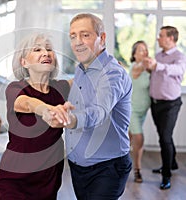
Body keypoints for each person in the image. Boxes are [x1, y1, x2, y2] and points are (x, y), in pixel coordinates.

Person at [0, 33, 73, 200]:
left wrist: (105, 67)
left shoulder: (61, 88)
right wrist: (45, 110)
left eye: (49, 49)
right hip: (15, 179)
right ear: (24, 62)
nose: (46, 53)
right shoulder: (16, 88)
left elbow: (86, 77)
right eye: (37, 49)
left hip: (48, 179)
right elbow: (27, 103)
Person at [63, 13, 132, 199]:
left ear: (101, 38)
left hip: (107, 168)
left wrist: (72, 119)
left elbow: (99, 111)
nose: (77, 42)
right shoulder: (81, 69)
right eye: (73, 36)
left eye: (85, 35)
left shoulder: (113, 74)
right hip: (78, 167)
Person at [143, 26, 186, 190]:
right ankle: (172, 162)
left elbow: (178, 70)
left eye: (161, 36)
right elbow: (156, 73)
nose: (158, 38)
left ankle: (166, 175)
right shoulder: (159, 55)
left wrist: (157, 66)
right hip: (155, 103)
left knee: (165, 138)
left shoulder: (179, 56)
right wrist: (150, 67)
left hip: (170, 105)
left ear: (171, 38)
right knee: (164, 136)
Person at [128, 41, 151, 183]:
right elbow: (138, 71)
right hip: (132, 109)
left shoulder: (149, 69)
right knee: (139, 138)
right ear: (134, 54)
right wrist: (148, 63)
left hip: (143, 110)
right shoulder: (134, 67)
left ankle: (121, 165)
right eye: (141, 50)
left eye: (146, 50)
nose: (144, 52)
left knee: (129, 140)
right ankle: (137, 169)